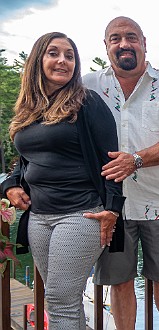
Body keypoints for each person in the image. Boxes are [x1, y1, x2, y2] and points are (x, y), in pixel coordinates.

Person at [0, 32, 125, 329]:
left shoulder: (87, 102)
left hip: (81, 213)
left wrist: (112, 210)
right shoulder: (30, 108)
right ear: (37, 60)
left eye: (69, 56)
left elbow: (112, 162)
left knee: (59, 300)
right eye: (54, 53)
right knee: (63, 303)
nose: (62, 60)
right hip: (39, 217)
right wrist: (10, 184)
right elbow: (28, 159)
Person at [82, 17, 159, 329]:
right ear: (106, 47)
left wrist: (135, 160)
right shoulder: (87, 86)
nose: (124, 44)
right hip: (111, 209)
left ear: (144, 43)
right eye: (115, 38)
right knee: (119, 282)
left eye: (131, 37)